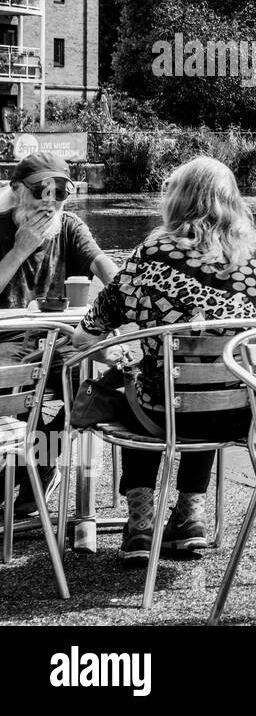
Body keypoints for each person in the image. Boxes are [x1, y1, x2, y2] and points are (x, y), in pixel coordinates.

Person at [70, 157, 256, 563]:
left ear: (178, 200)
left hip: (163, 413)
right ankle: (190, 519)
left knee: (148, 385)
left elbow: (89, 331)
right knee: (204, 391)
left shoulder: (153, 253)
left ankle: (140, 525)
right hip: (238, 413)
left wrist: (119, 347)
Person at [0, 153, 117, 518]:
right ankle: (20, 467)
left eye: (60, 191)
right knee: (7, 391)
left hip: (59, 339)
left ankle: (37, 463)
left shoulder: (69, 227)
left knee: (91, 385)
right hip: (6, 344)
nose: (49, 201)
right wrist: (20, 249)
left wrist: (127, 297)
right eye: (40, 190)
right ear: (17, 191)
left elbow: (103, 267)